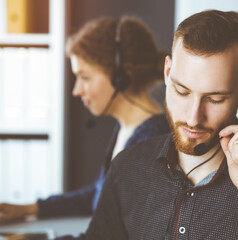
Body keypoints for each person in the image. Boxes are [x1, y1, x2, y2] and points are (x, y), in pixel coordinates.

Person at [84, 10, 238, 239]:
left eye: (216, 99)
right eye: (182, 92)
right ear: (167, 71)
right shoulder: (128, 168)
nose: (193, 117)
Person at [0, 16, 170, 224]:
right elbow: (100, 195)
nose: (76, 90)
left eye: (85, 77)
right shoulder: (130, 128)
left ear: (120, 77)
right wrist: (29, 209)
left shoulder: (149, 142)